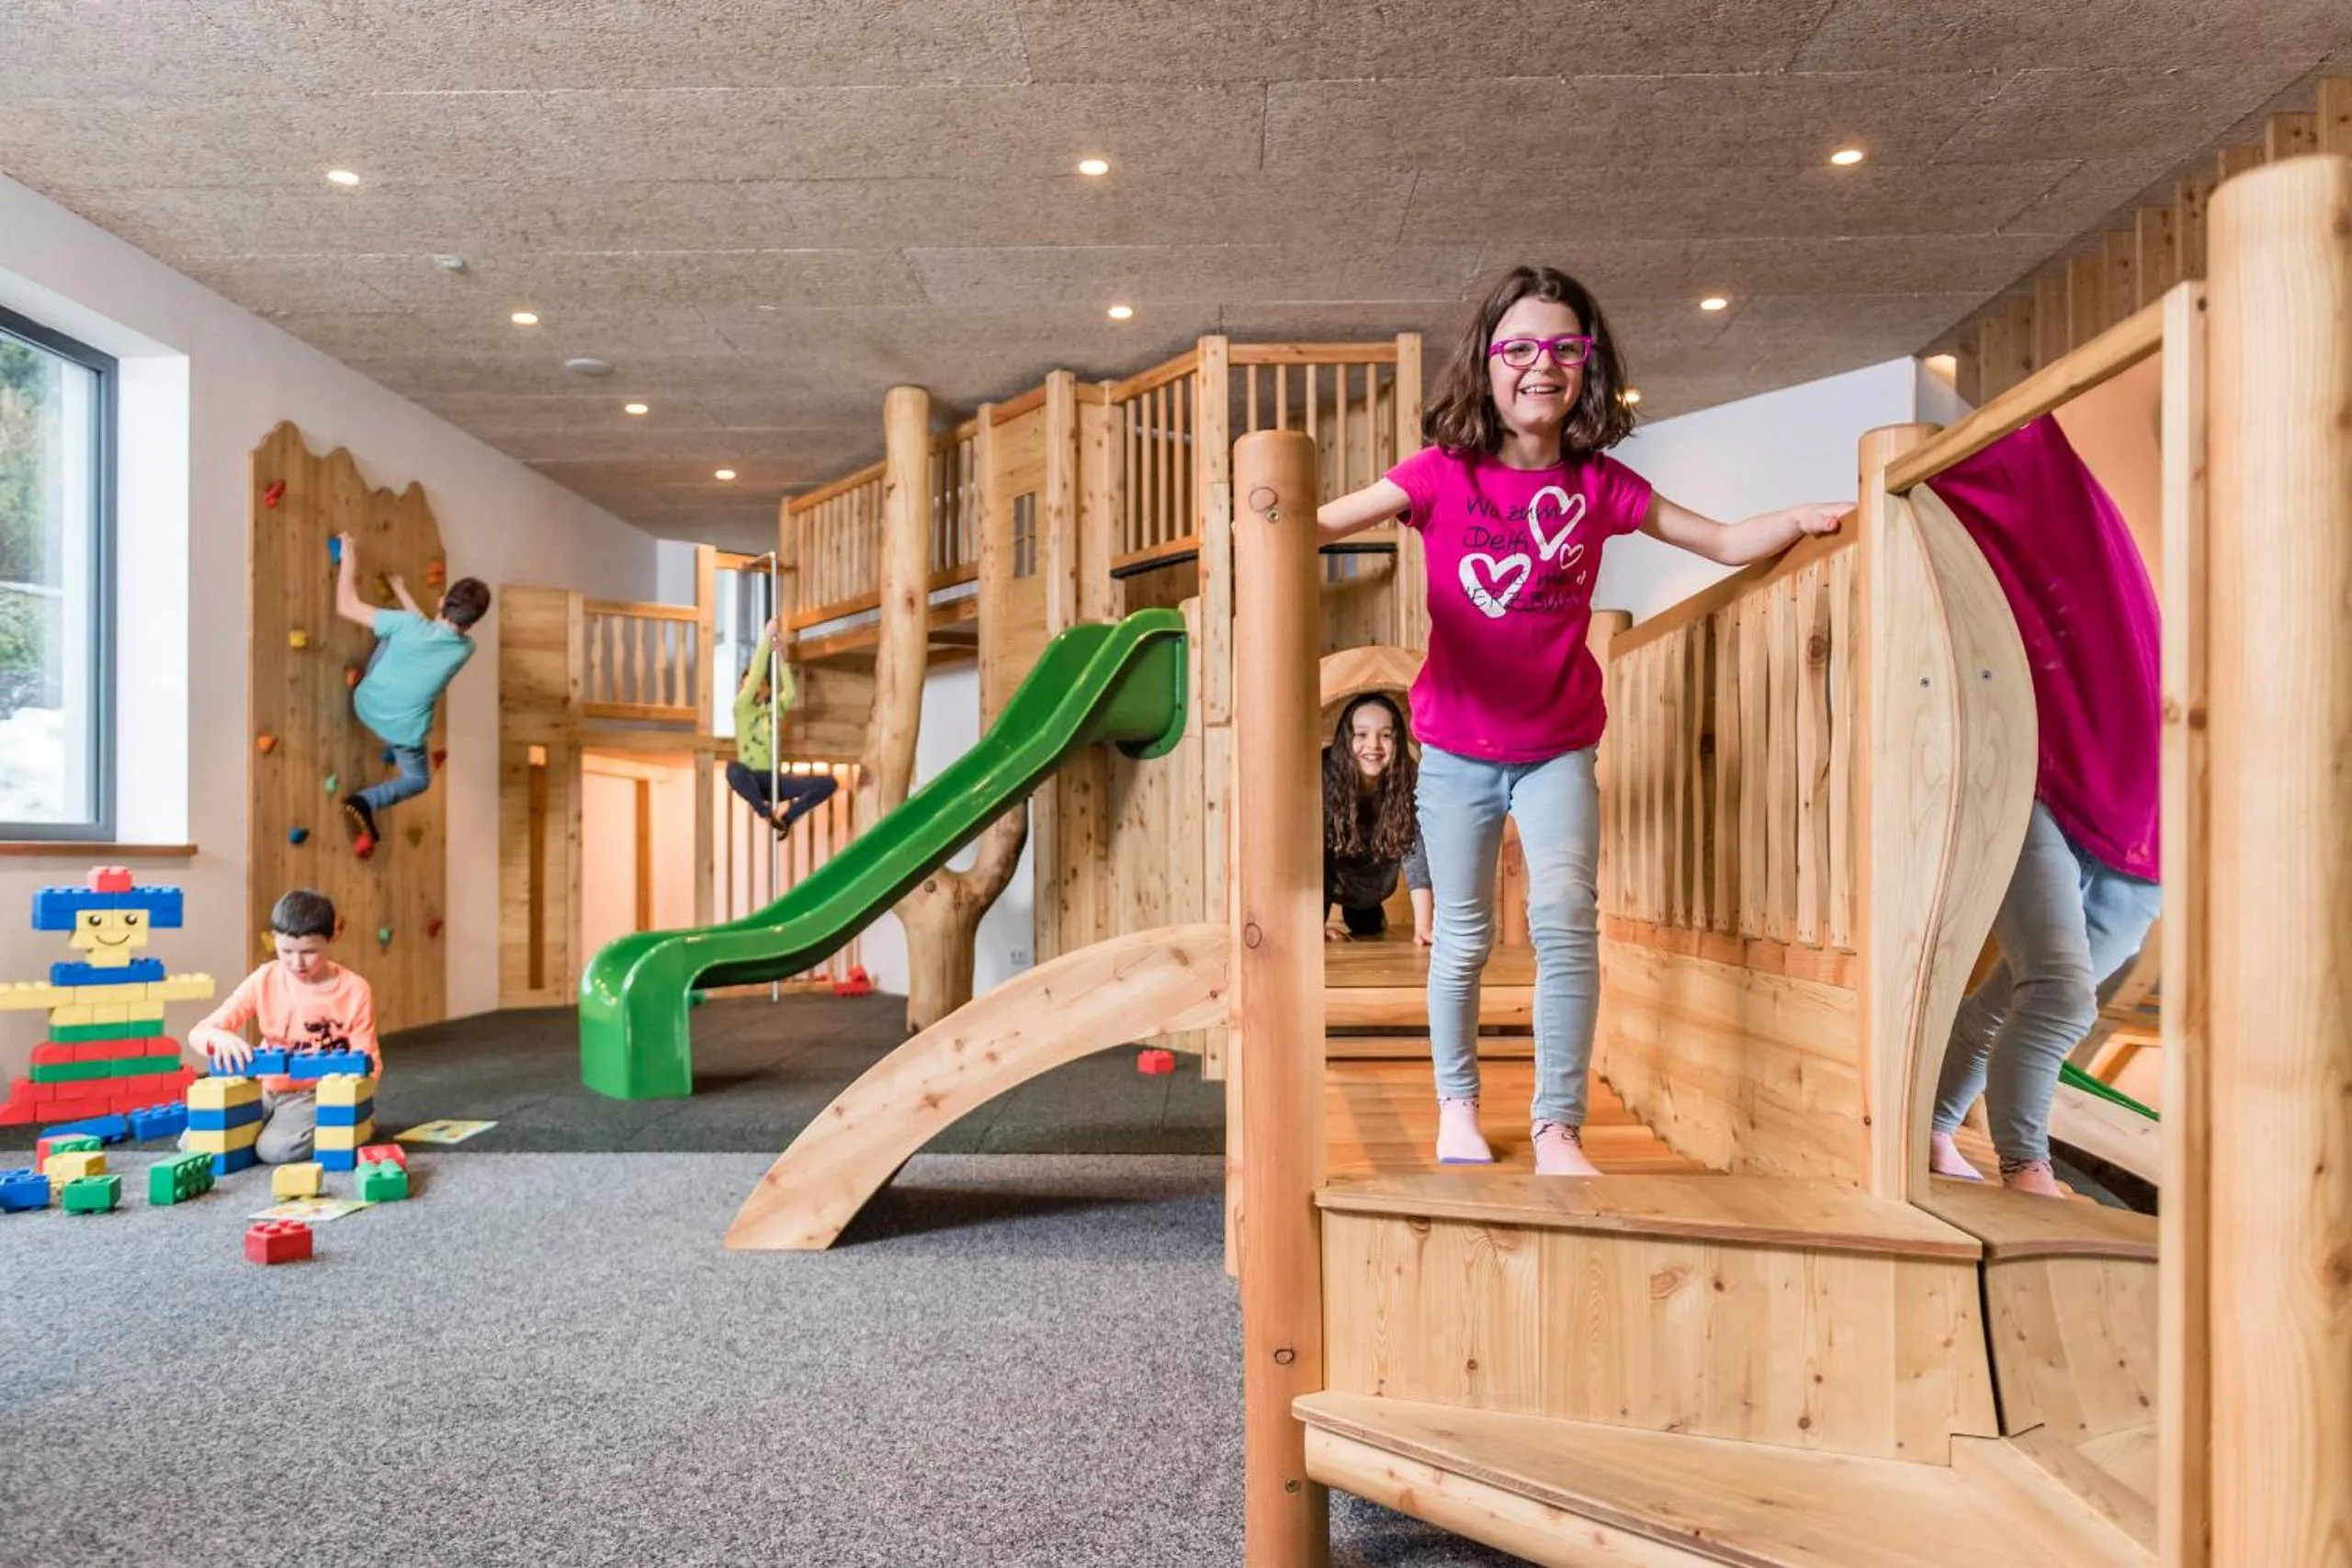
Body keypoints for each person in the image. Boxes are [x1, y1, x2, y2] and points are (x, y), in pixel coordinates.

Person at [1317, 265, 1849, 1175]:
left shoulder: (1599, 485)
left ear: (1586, 367)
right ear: (1485, 364)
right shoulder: (1441, 475)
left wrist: (1801, 514)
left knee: (1565, 922)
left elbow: (1717, 542)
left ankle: (1556, 1123)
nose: (1541, 365)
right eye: (1518, 347)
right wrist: (1262, 517)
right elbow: (1325, 520)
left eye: (1563, 348)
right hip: (1451, 748)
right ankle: (1457, 1105)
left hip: (1556, 746)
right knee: (1464, 933)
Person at [1923, 415, 2161, 1198]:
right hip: (2026, 778)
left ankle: (1934, 1123)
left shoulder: (2111, 584)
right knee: (2059, 990)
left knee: (2014, 991)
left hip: (2133, 808)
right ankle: (2025, 1163)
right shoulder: (2004, 541)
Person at [187, 889, 379, 1166]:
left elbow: (369, 1062)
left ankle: (357, 1127)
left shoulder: (354, 990)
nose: (296, 963)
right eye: (286, 951)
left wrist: (356, 1109)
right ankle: (263, 1129)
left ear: (332, 938)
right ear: (275, 938)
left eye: (309, 952)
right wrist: (218, 1038)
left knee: (275, 1150)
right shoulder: (266, 977)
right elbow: (201, 1031)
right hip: (267, 1087)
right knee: (199, 1140)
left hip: (315, 1092)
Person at [335, 533, 489, 849]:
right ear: (471, 625)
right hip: (402, 734)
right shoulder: (466, 649)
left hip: (365, 701)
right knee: (418, 781)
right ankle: (366, 801)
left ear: (441, 602)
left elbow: (346, 606)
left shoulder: (407, 625)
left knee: (391, 635)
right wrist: (401, 590)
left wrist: (349, 559)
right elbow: (429, 631)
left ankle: (376, 677)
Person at [1323, 693, 1432, 943]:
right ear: (1346, 739)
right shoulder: (1325, 772)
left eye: (1385, 735)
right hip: (1328, 878)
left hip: (1375, 883)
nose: (1373, 745)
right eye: (1361, 735)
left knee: (1368, 926)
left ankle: (1366, 913)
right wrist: (1311, 924)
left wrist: (1423, 927)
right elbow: (1305, 852)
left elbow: (1416, 853)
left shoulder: (1408, 778)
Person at [729, 616, 838, 834]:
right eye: (748, 683)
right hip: (751, 778)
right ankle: (765, 811)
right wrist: (767, 636)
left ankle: (787, 819)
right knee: (733, 770)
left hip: (773, 778)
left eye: (757, 683)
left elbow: (790, 692)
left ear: (766, 688)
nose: (752, 686)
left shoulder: (772, 709)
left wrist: (781, 657)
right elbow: (757, 671)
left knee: (828, 783)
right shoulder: (741, 708)